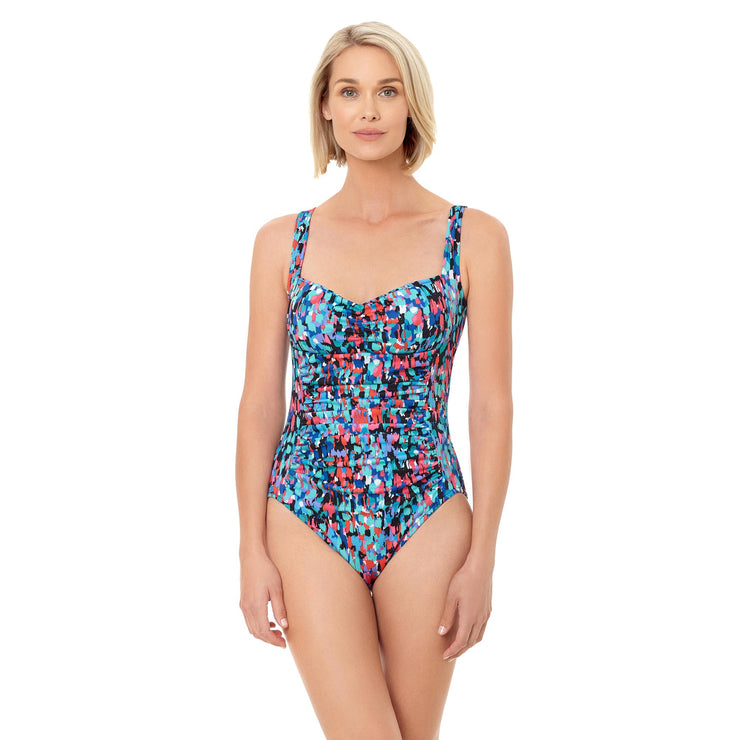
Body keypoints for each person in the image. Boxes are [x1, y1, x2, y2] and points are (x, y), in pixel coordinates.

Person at [235, 20, 513, 739]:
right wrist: (249, 548)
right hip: (304, 507)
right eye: (350, 92)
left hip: (426, 507)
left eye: (387, 92)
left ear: (411, 104)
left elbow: (490, 405)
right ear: (325, 107)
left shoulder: (473, 237)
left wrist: (484, 557)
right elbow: (260, 402)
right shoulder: (281, 243)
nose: (368, 110)